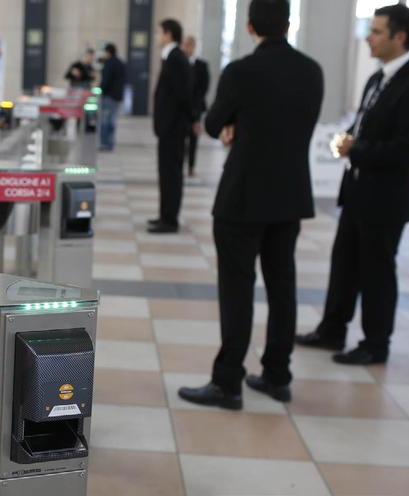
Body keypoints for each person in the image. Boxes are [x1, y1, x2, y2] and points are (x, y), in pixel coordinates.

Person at [177, 0, 323, 410]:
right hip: (291, 195)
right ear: (290, 23)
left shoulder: (241, 71)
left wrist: (234, 125)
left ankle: (228, 382)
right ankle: (278, 375)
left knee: (238, 288)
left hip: (243, 196)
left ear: (250, 25)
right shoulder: (311, 70)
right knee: (283, 285)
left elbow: (210, 124)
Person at [296, 4, 409, 365]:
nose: (368, 38)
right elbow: (365, 127)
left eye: (376, 32)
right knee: (344, 263)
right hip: (359, 190)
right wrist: (350, 142)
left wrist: (357, 149)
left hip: (387, 196)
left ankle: (376, 343)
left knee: (377, 269)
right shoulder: (377, 79)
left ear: (399, 37)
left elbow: (407, 150)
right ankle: (332, 329)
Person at [148, 19, 193, 234]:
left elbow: (183, 95)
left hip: (173, 129)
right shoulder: (170, 57)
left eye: (159, 32)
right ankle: (165, 214)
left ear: (168, 34)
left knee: (171, 174)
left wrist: (174, 123)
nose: (157, 37)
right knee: (166, 174)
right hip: (168, 129)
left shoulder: (176, 58)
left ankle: (170, 219)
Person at [182, 35, 210, 177]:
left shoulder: (201, 65)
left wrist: (196, 110)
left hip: (196, 109)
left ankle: (191, 166)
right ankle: (181, 163)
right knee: (180, 139)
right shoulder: (179, 64)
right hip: (181, 109)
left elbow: (204, 88)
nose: (186, 47)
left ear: (193, 46)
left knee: (193, 139)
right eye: (185, 44)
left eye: (189, 45)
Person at [98, 43, 126, 152]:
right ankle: (110, 143)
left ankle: (105, 143)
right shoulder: (121, 63)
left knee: (105, 120)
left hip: (108, 95)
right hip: (117, 96)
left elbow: (106, 80)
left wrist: (101, 89)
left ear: (108, 52)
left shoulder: (109, 63)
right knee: (113, 120)